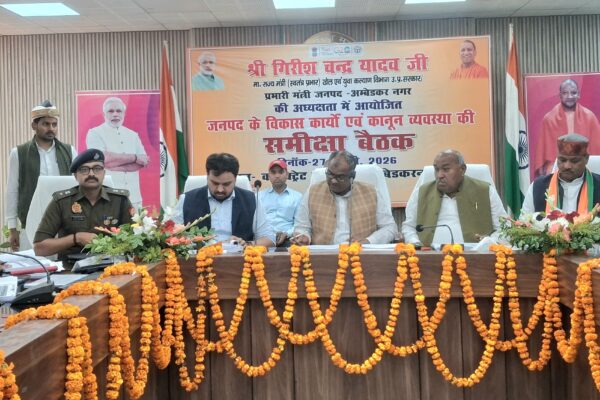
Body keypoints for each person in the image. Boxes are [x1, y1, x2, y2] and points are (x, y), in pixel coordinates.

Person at [33, 149, 133, 267]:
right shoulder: (61, 202)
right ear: (76, 176)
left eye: (97, 168)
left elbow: (134, 240)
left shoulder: (120, 200)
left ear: (104, 173)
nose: (91, 174)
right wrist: (76, 238)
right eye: (84, 170)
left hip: (113, 268)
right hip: (71, 269)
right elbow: (39, 248)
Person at [4, 100, 77, 251]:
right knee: (33, 263)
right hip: (31, 221)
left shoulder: (69, 151)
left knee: (64, 263)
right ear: (34, 125)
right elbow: (12, 190)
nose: (51, 128)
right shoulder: (19, 153)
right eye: (45, 124)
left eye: (54, 124)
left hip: (64, 222)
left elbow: (77, 186)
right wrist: (12, 228)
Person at [402, 150, 507, 246]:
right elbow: (409, 227)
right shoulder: (421, 192)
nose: (440, 175)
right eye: (436, 169)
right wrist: (416, 244)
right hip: (429, 256)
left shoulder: (485, 191)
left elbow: (504, 228)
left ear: (462, 169)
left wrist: (489, 243)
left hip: (475, 256)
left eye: (446, 169)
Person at [292, 151, 397, 245]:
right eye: (330, 174)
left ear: (352, 176)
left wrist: (369, 241)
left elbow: (389, 227)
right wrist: (304, 236)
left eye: (340, 177)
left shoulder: (371, 192)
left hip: (360, 255)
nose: (333, 181)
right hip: (323, 256)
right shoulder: (313, 192)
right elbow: (302, 226)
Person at [173, 153, 275, 247]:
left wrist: (247, 244)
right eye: (215, 183)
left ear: (235, 179)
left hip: (239, 259)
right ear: (207, 177)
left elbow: (270, 238)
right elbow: (170, 235)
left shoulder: (251, 200)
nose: (220, 190)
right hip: (199, 258)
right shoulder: (187, 200)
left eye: (226, 184)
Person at [86, 97, 148, 208]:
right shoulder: (94, 133)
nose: (115, 114)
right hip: (107, 197)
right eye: (111, 111)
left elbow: (143, 161)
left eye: (119, 111)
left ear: (124, 113)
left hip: (133, 197)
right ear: (104, 114)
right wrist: (134, 158)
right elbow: (103, 159)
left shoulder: (133, 135)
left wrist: (112, 164)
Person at [533, 79, 600, 177]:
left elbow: (596, 151)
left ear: (578, 94)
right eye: (565, 93)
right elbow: (542, 155)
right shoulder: (549, 119)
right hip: (557, 168)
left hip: (584, 167)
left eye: (573, 93)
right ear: (560, 95)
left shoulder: (590, 117)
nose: (569, 96)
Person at [522, 133, 600, 214]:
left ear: (586, 159)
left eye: (574, 161)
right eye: (562, 160)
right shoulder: (538, 186)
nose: (567, 166)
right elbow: (524, 220)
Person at [259, 159, 302, 247]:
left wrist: (287, 233)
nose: (277, 175)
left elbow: (299, 223)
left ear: (287, 174)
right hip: (264, 238)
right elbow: (256, 222)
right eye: (273, 172)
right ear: (269, 176)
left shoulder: (297, 197)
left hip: (288, 239)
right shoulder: (259, 196)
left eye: (281, 172)